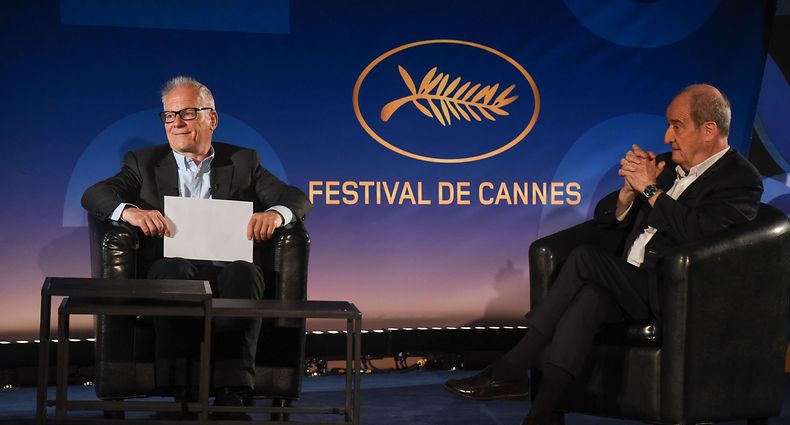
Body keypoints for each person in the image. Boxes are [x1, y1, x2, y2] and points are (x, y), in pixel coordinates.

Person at [444, 84, 763, 425]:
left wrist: (650, 189)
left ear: (709, 130)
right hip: (629, 283)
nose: (667, 136)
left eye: (677, 126)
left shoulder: (739, 179)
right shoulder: (667, 166)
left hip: (674, 291)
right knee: (589, 300)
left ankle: (511, 368)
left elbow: (699, 233)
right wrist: (627, 193)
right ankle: (541, 416)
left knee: (585, 258)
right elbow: (605, 217)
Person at [82, 76, 312, 418]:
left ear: (211, 118)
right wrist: (130, 211)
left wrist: (275, 215)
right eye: (169, 115)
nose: (176, 122)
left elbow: (296, 198)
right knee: (173, 270)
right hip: (171, 267)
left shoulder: (244, 162)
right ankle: (182, 386)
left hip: (227, 268)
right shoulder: (143, 163)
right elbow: (95, 194)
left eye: (187, 113)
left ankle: (233, 390)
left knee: (246, 273)